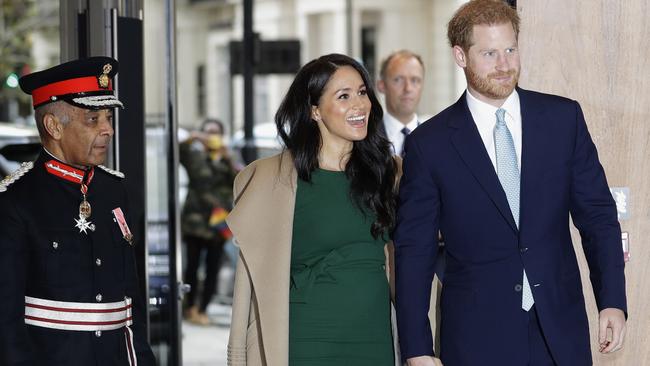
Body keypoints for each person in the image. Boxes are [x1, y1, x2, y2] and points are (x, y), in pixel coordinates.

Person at [394, 1, 627, 365]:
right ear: (461, 55)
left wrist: (612, 299)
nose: (504, 65)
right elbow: (414, 250)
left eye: (510, 50)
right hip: (475, 337)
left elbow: (597, 215)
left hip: (559, 330)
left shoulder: (563, 119)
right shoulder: (430, 144)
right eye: (489, 53)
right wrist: (417, 347)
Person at [226, 53, 399, 365]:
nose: (359, 105)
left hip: (373, 337)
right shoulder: (273, 179)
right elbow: (251, 285)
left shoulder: (389, 173)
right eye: (343, 96)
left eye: (362, 92)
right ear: (315, 110)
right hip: (306, 339)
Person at [0, 57, 156, 365]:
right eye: (93, 119)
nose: (108, 129)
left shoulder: (114, 189)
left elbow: (131, 300)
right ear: (54, 126)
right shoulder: (17, 200)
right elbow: (6, 321)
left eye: (108, 118)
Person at [180, 118, 237, 325]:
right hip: (195, 219)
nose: (212, 136)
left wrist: (227, 157)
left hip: (219, 221)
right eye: (208, 132)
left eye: (216, 132)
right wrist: (192, 138)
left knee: (213, 266)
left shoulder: (227, 157)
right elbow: (177, 151)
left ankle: (203, 308)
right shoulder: (194, 155)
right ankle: (190, 307)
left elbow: (240, 178)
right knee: (192, 267)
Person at [377, 50, 425, 156]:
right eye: (398, 80)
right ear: (381, 86)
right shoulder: (364, 139)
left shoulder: (435, 140)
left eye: (415, 80)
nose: (408, 88)